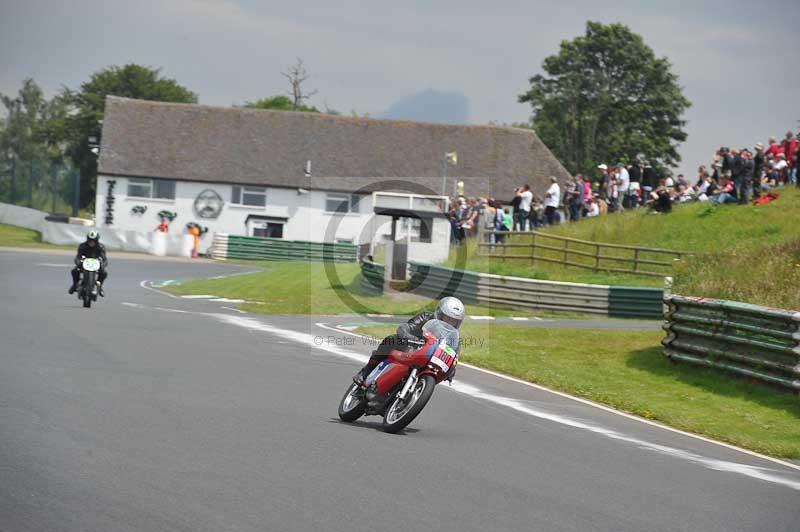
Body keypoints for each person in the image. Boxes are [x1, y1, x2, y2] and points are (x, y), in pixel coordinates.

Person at [353, 296, 466, 385]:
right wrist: (409, 337)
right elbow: (407, 327)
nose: (449, 323)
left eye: (453, 321)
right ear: (439, 314)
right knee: (392, 340)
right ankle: (367, 370)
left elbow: (453, 355)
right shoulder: (425, 317)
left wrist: (451, 369)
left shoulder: (453, 336)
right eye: (447, 319)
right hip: (410, 349)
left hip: (427, 360)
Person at [69, 230, 108, 297]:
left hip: (96, 264)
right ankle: (75, 285)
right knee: (75, 271)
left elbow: (104, 259)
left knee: (104, 273)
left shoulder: (101, 247)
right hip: (84, 263)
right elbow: (78, 257)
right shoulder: (82, 246)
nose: (91, 242)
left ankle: (100, 286)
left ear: (97, 240)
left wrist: (103, 264)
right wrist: (78, 262)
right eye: (90, 240)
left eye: (93, 241)